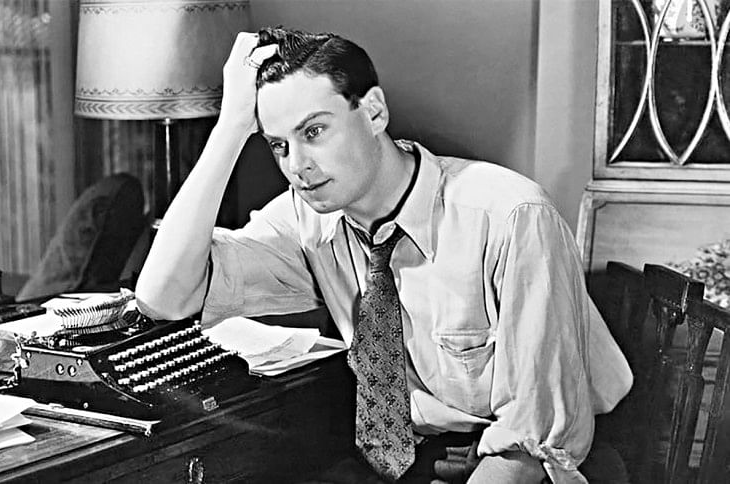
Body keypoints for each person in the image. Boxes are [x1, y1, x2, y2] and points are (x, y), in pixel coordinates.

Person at [135, 27, 632, 484]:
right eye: (278, 145)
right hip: (408, 464)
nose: (298, 166)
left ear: (373, 112)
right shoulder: (310, 221)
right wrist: (230, 127)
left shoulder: (511, 215)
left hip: (535, 467)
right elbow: (165, 298)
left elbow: (531, 445)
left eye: (314, 131)